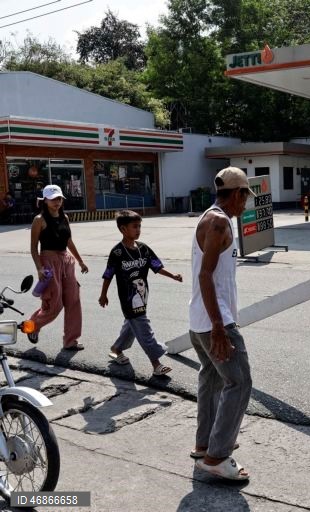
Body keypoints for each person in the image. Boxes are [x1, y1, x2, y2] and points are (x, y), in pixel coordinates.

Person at [189, 167, 254, 481]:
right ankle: (217, 457)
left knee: (212, 379)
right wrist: (219, 327)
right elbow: (206, 275)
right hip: (216, 321)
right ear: (237, 194)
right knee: (239, 383)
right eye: (245, 197)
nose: (246, 204)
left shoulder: (209, 216)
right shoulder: (219, 222)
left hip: (199, 319)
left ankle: (204, 445)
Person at [99, 210, 182, 376]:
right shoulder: (117, 252)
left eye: (139, 226)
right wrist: (103, 294)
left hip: (142, 295)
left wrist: (172, 275)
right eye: (134, 227)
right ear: (123, 229)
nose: (138, 230)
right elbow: (108, 274)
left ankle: (117, 348)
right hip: (128, 298)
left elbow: (156, 266)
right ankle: (156, 364)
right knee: (143, 328)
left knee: (132, 324)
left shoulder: (143, 249)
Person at [26, 185, 88, 349]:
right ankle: (32, 325)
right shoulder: (39, 220)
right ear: (45, 200)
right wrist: (39, 268)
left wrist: (80, 261)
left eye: (59, 198)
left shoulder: (64, 217)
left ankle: (71, 341)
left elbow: (68, 241)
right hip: (49, 261)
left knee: (73, 300)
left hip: (66, 260)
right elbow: (33, 247)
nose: (57, 202)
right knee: (55, 303)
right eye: (53, 199)